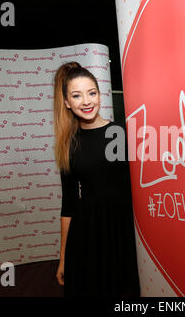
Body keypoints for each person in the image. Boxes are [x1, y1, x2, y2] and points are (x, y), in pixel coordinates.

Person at [53, 61, 140, 297]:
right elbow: (68, 205)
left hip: (123, 231)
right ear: (67, 103)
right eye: (77, 96)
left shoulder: (122, 135)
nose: (87, 101)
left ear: (100, 95)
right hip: (88, 235)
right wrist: (64, 257)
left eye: (92, 93)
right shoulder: (68, 145)